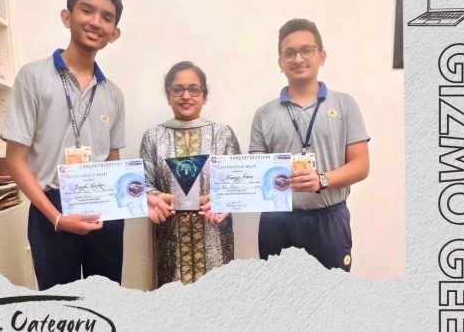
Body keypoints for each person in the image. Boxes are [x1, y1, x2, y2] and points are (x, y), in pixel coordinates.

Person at [2, 0, 131, 290]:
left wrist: (135, 198)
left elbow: (113, 160)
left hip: (103, 209)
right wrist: (56, 217)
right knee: (59, 305)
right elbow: (15, 159)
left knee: (107, 300)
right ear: (67, 16)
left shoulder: (113, 93)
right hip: (51, 209)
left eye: (107, 17)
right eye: (87, 10)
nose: (95, 22)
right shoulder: (33, 77)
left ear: (114, 33)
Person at [249, 18, 370, 271]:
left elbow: (361, 165)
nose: (298, 58)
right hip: (277, 222)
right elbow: (256, 174)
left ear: (322, 56)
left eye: (307, 50)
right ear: (280, 62)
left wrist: (322, 180)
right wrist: (222, 195)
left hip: (329, 218)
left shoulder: (345, 105)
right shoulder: (263, 114)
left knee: (330, 293)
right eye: (289, 53)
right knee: (276, 292)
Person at [140, 61, 241, 286]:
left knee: (217, 297)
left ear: (204, 95)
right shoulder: (153, 137)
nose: (186, 96)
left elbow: (238, 185)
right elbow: (143, 186)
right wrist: (172, 200)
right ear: (168, 95)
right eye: (178, 89)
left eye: (194, 89)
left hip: (215, 235)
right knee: (174, 300)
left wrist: (217, 200)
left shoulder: (223, 134)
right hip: (171, 238)